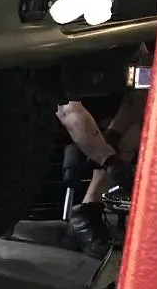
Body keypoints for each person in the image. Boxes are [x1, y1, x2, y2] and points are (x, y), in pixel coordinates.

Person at [56, 89, 144, 255]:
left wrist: (113, 135)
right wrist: (110, 161)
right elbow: (66, 109)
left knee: (141, 114)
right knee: (69, 101)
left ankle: (85, 213)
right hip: (64, 112)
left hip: (109, 114)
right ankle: (82, 220)